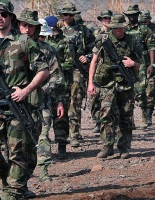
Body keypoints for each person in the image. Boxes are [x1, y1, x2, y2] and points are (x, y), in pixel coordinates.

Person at [0, 0, 49, 199]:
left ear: (11, 18)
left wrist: (26, 91)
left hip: (17, 105)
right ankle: (10, 180)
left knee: (18, 152)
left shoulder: (24, 42)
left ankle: (13, 191)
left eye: (4, 14)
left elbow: (44, 70)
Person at [17, 10, 65, 195]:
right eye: (24, 25)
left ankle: (43, 170)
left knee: (43, 137)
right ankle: (19, 183)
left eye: (31, 26)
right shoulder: (11, 47)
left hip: (40, 103)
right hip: (16, 104)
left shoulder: (46, 50)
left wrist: (48, 91)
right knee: (19, 144)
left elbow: (57, 78)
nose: (27, 29)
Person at [88, 14, 142, 159]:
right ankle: (107, 146)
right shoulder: (103, 39)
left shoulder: (132, 41)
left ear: (124, 27)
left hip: (125, 85)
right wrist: (90, 83)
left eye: (121, 28)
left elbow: (142, 64)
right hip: (106, 84)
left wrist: (133, 64)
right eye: (115, 28)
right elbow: (93, 61)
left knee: (126, 117)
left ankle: (124, 148)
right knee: (106, 115)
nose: (118, 31)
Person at [59, 2, 95, 147]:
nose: (67, 17)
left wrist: (87, 57)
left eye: (70, 14)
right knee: (60, 102)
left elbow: (94, 47)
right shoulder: (56, 29)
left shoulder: (83, 30)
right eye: (65, 14)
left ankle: (74, 134)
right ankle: (61, 134)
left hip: (76, 70)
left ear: (74, 15)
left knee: (75, 102)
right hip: (60, 70)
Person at [123, 4, 155, 129]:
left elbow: (151, 47)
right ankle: (130, 120)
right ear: (127, 16)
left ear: (138, 15)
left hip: (141, 65)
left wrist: (152, 64)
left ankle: (143, 116)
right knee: (127, 93)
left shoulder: (145, 30)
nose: (132, 17)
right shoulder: (123, 29)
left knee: (141, 92)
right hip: (126, 65)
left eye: (134, 15)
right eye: (130, 15)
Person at [45, 15, 70, 158]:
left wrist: (57, 66)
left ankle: (61, 145)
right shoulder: (42, 41)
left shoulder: (64, 42)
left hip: (61, 82)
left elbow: (69, 62)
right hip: (44, 82)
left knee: (61, 116)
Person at [90, 9, 113, 135]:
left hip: (110, 72)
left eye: (109, 18)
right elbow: (91, 50)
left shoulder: (116, 33)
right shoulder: (96, 33)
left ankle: (107, 127)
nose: (107, 21)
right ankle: (97, 121)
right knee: (94, 100)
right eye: (104, 19)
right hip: (97, 71)